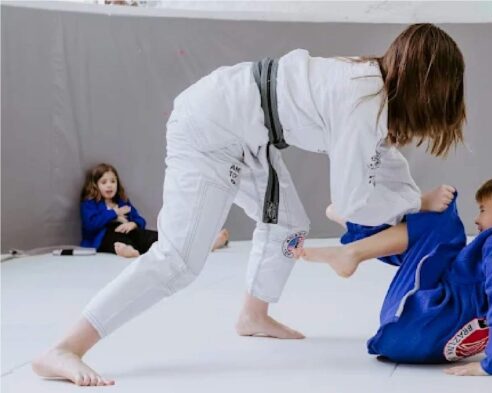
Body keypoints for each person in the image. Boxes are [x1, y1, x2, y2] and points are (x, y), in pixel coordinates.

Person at [33, 23, 466, 386]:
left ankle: (252, 315)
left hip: (246, 130)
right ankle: (64, 348)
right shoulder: (363, 100)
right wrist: (416, 201)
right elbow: (352, 201)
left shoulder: (372, 85)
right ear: (426, 87)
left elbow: (381, 158)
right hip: (211, 129)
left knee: (289, 224)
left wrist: (414, 200)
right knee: (177, 261)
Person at [300, 173, 492, 376]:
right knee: (435, 251)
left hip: (415, 324)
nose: (477, 219)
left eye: (483, 210)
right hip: (435, 349)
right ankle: (357, 235)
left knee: (441, 224)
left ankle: (355, 237)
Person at [80, 163, 229, 258]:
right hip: (106, 235)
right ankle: (128, 250)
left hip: (130, 231)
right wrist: (114, 213)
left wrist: (134, 224)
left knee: (152, 236)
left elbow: (139, 219)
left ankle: (204, 244)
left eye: (113, 181)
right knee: (116, 239)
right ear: (95, 185)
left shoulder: (122, 201)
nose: (109, 186)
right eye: (104, 182)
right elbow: (91, 224)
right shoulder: (90, 203)